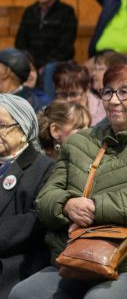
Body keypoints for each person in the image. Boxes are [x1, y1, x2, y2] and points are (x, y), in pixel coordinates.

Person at [11, 62, 127, 299]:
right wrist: (66, 206)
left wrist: (95, 208)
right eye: (108, 91)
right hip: (81, 259)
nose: (112, 100)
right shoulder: (79, 143)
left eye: (124, 92)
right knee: (24, 293)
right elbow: (46, 199)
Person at [0, 95, 55, 298]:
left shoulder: (44, 168)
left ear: (23, 129)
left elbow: (38, 219)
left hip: (17, 264)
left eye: (2, 125)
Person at [14, 0, 77, 94]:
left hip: (55, 63)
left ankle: (48, 108)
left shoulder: (66, 12)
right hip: (32, 62)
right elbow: (20, 42)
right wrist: (31, 64)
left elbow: (65, 47)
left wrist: (43, 65)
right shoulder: (29, 12)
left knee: (49, 69)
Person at [52, 61, 106, 125]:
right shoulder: (51, 113)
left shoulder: (102, 111)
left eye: (73, 94)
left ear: (86, 90)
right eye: (63, 94)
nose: (68, 99)